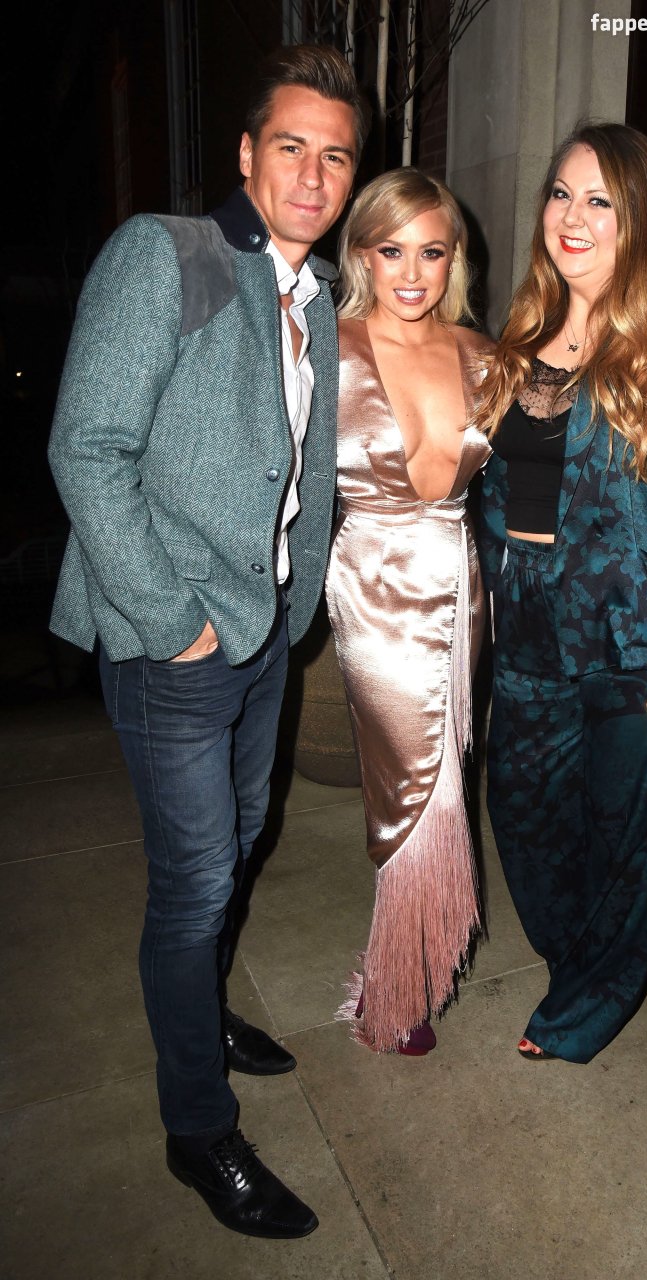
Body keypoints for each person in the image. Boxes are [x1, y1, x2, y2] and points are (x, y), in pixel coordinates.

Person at [47, 46, 368, 1238]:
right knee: (192, 887)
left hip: (265, 631)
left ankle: (202, 1009)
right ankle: (198, 1128)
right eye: (290, 146)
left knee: (237, 845)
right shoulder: (166, 255)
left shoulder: (316, 296)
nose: (313, 175)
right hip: (173, 638)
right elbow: (87, 449)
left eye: (335, 155)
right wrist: (173, 622)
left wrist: (294, 604)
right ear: (245, 153)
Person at [477, 123, 647, 1065]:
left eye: (599, 200)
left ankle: (579, 1012)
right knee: (523, 816)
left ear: (641, 221)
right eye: (560, 193)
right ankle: (578, 963)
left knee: (631, 840)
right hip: (529, 630)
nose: (572, 215)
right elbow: (493, 496)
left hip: (644, 636)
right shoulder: (519, 342)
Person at [325, 169, 493, 1054]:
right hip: (373, 586)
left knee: (449, 775)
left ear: (453, 259)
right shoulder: (324, 346)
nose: (412, 272)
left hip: (459, 586)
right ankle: (392, 991)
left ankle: (411, 971)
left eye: (431, 252)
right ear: (361, 255)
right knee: (409, 787)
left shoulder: (482, 355)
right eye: (391, 250)